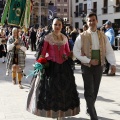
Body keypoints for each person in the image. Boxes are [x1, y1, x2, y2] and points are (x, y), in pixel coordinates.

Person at [26, 17, 80, 120]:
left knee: (63, 91)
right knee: (51, 91)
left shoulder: (64, 38)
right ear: (52, 25)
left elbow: (68, 52)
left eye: (59, 24)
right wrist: (41, 63)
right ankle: (53, 113)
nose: (57, 26)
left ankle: (61, 114)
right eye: (55, 24)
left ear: (62, 26)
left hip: (63, 68)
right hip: (51, 67)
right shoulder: (48, 38)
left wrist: (69, 55)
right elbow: (43, 53)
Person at [73, 12, 116, 120]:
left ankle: (89, 108)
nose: (91, 22)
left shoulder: (103, 35)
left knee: (95, 90)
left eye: (93, 20)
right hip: (86, 66)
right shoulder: (81, 36)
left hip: (99, 66)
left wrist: (113, 63)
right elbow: (76, 51)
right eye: (89, 20)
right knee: (89, 90)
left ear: (97, 21)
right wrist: (88, 60)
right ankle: (93, 115)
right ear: (87, 22)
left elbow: (109, 51)